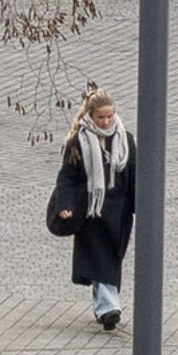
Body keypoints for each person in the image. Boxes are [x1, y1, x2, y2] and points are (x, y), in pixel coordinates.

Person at [44, 86, 137, 332]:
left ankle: (103, 305)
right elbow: (67, 177)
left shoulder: (125, 139)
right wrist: (64, 205)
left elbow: (134, 174)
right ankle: (109, 308)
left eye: (109, 116)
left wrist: (142, 207)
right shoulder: (79, 141)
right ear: (90, 115)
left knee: (112, 257)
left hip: (119, 211)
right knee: (100, 256)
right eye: (101, 117)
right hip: (92, 210)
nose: (106, 122)